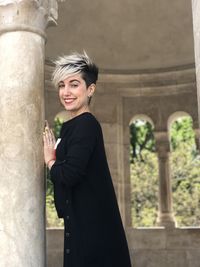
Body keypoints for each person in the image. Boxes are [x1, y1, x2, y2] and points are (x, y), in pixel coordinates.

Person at [43, 52, 132, 267]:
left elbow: (70, 174)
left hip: (94, 234)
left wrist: (50, 161)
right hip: (83, 226)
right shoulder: (72, 127)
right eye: (62, 85)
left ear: (90, 89)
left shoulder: (86, 124)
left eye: (74, 84)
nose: (66, 92)